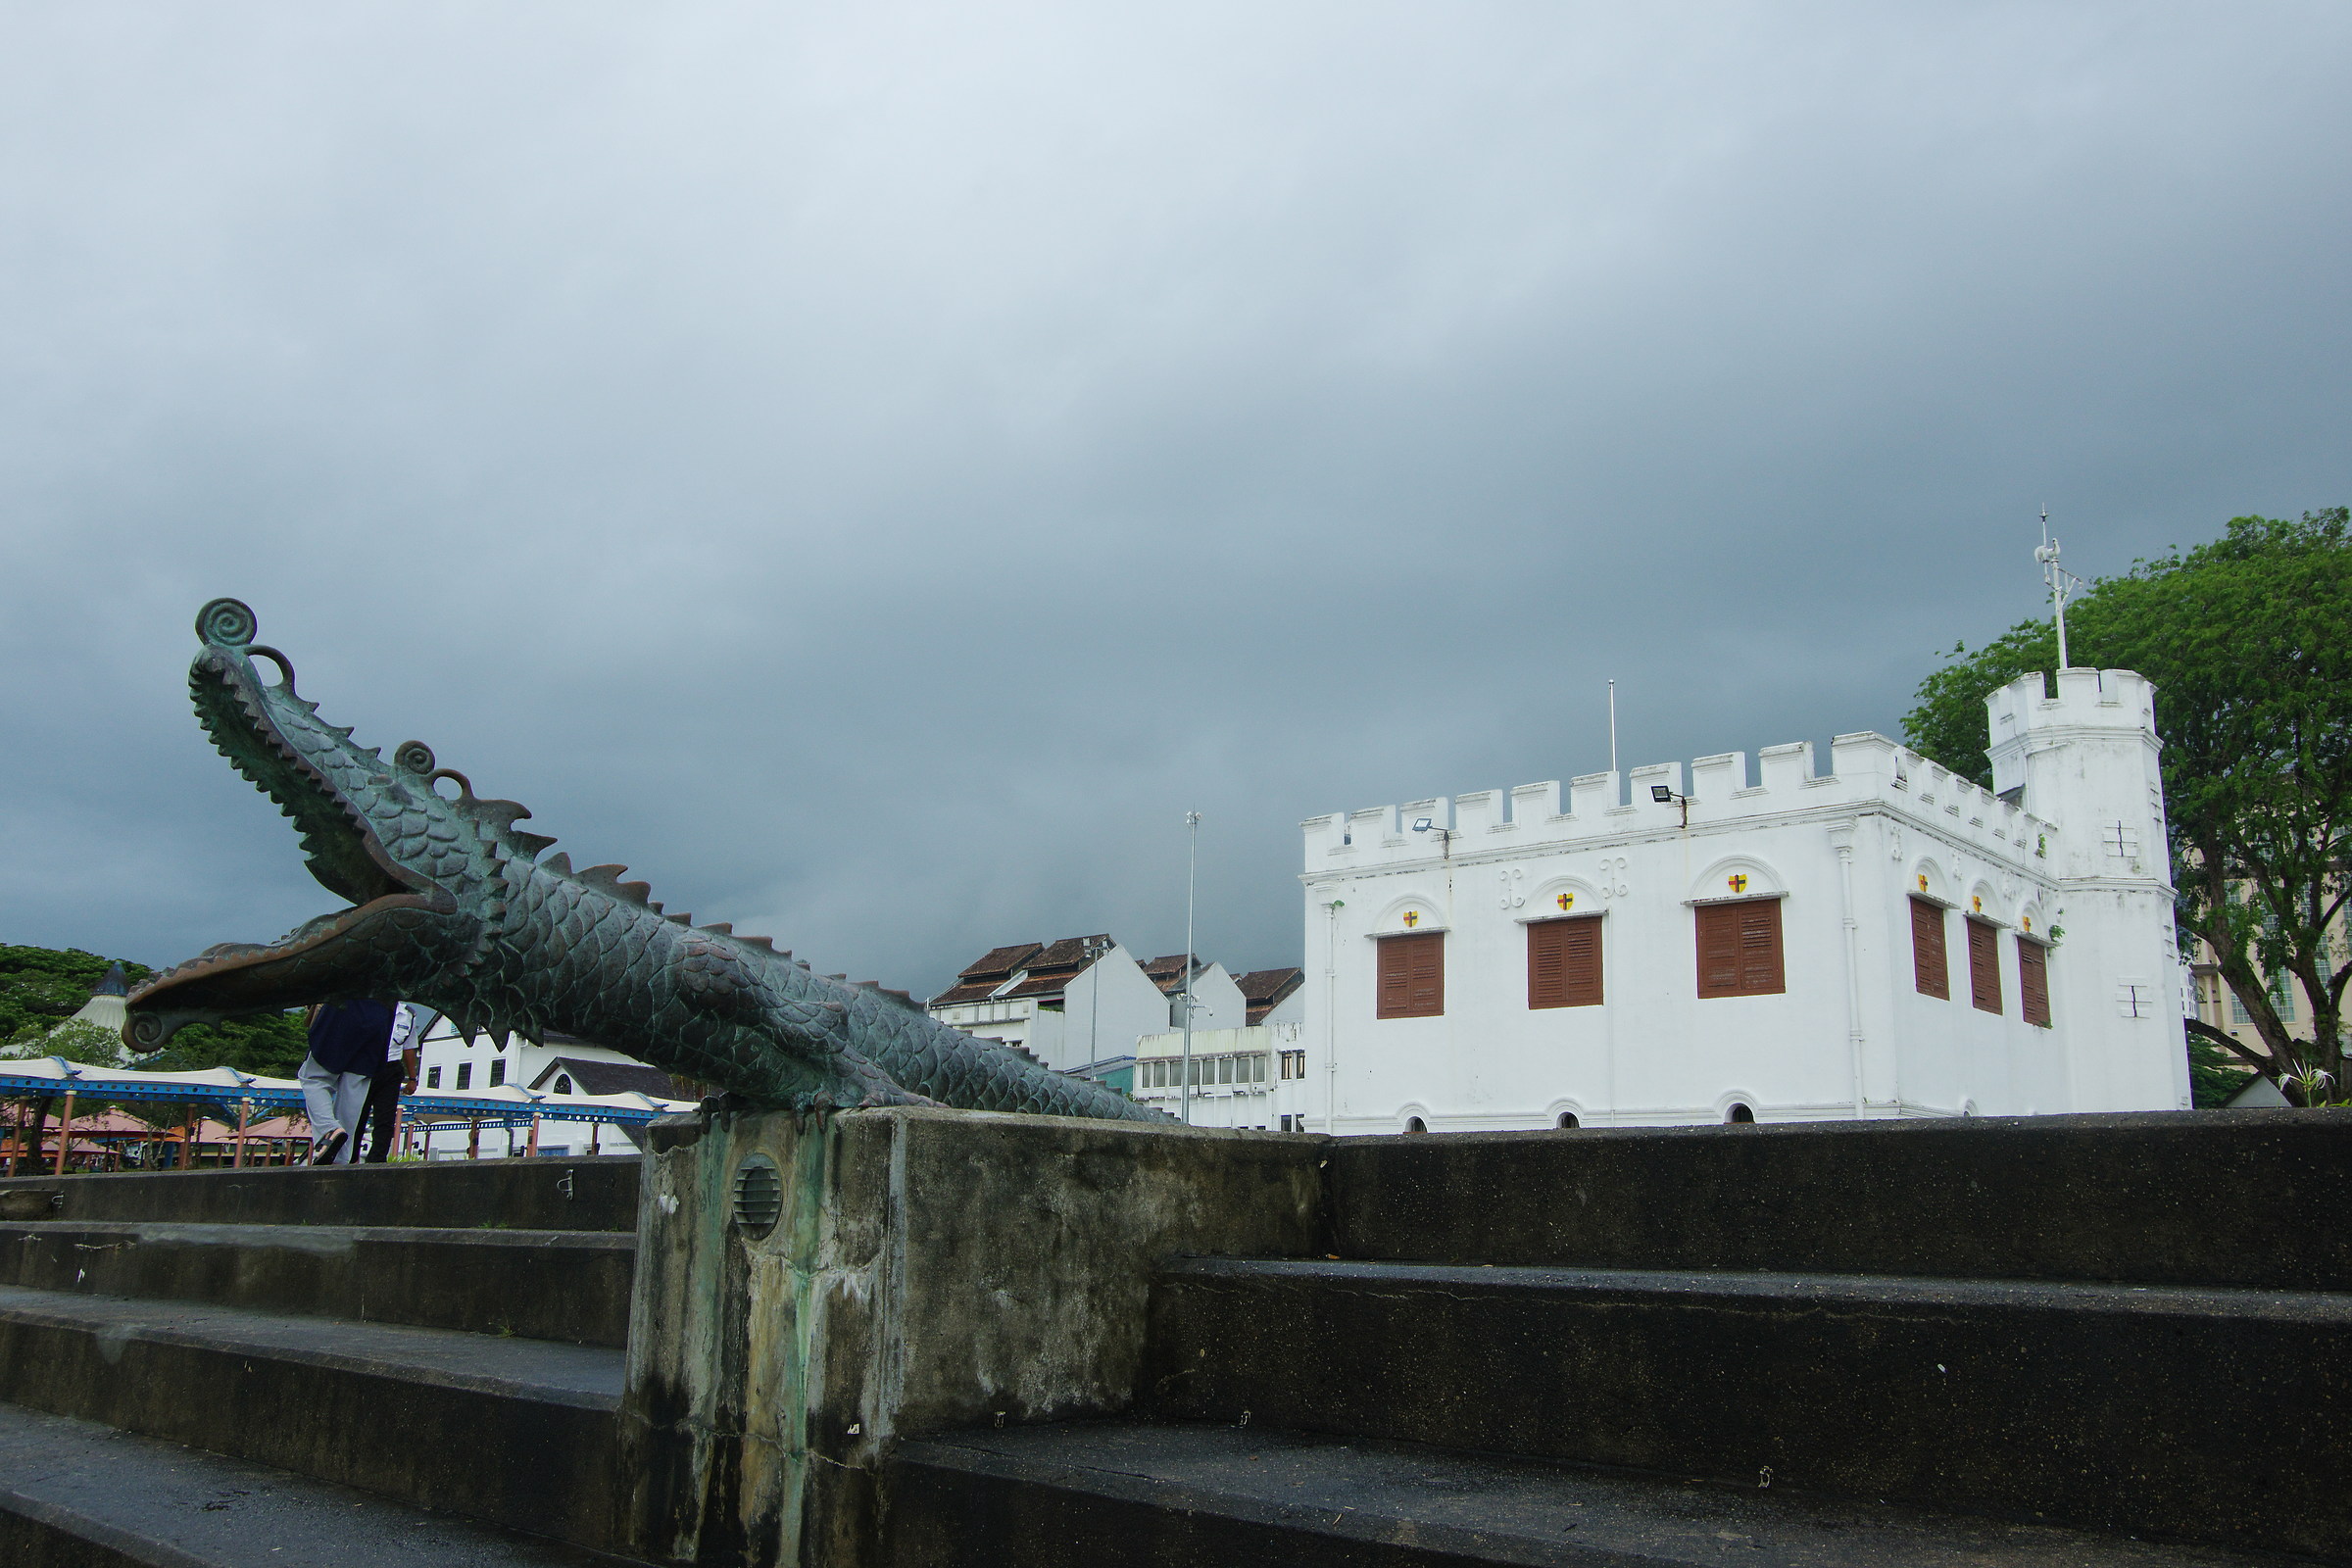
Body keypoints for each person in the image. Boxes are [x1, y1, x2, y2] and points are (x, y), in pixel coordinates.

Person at [298, 999, 396, 1165]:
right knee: (354, 1090)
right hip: (381, 1018)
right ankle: (340, 1159)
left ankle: (328, 1129)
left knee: (314, 1078)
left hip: (344, 1008)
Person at [357, 1003, 421, 1163]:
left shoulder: (407, 1014)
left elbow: (409, 1047)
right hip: (365, 1065)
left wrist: (412, 1078)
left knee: (385, 1119)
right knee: (357, 1115)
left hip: (390, 1067)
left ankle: (377, 1159)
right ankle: (348, 1157)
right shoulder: (368, 1005)